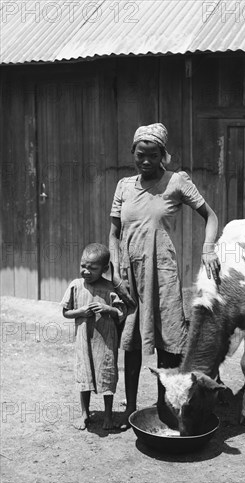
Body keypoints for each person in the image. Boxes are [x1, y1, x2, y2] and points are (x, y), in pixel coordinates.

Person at [109, 122, 220, 429]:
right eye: (140, 154)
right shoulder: (123, 186)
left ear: (163, 155)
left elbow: (211, 217)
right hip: (129, 276)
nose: (146, 161)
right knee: (130, 341)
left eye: (152, 155)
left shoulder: (177, 181)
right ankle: (131, 408)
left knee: (169, 341)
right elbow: (114, 233)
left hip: (162, 274)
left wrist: (208, 248)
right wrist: (116, 271)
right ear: (133, 153)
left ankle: (166, 406)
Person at [61, 243, 126, 430]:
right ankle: (84, 414)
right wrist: (80, 311)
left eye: (92, 268)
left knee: (107, 374)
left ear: (105, 269)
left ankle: (108, 416)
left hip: (105, 341)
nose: (86, 271)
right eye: (83, 266)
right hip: (83, 340)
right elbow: (66, 312)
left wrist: (108, 309)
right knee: (84, 375)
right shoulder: (75, 286)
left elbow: (121, 313)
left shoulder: (110, 288)